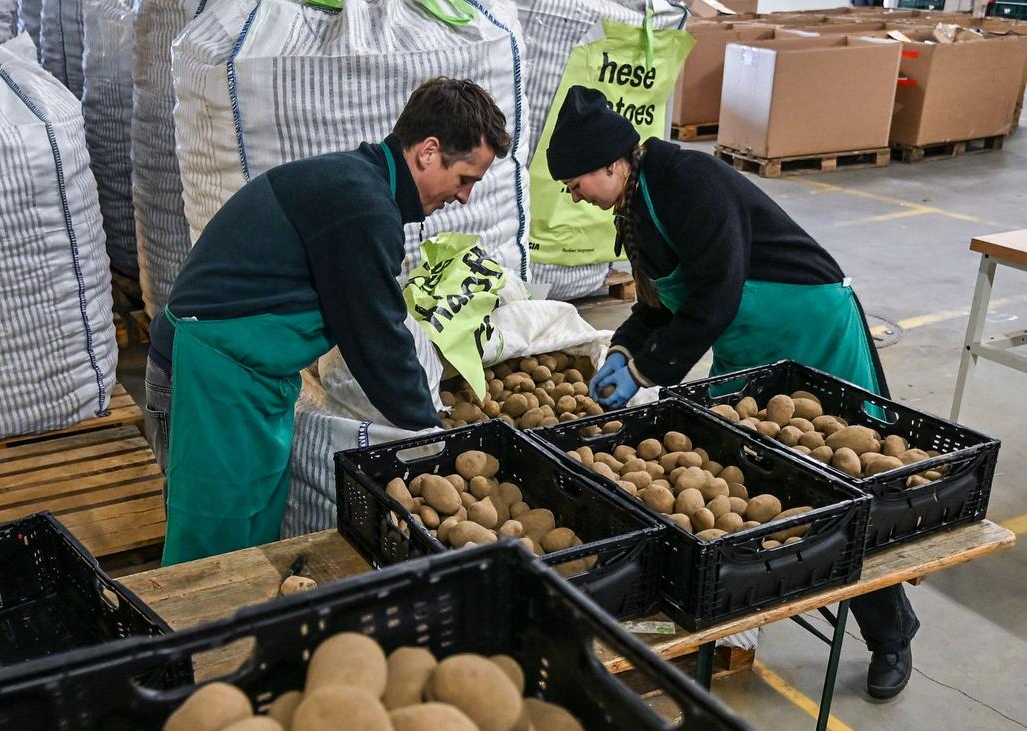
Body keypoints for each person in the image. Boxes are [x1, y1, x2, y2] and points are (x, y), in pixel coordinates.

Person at [545, 86, 918, 700]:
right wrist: (622, 349)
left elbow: (713, 300)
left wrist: (647, 372)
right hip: (748, 337)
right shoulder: (635, 205)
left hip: (807, 326)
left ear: (611, 164)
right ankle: (757, 591)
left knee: (842, 484)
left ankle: (891, 632)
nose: (574, 195)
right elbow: (660, 303)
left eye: (576, 182)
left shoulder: (689, 181)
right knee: (750, 468)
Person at [143, 77, 512, 567]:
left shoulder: (357, 184)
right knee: (210, 553)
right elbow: (376, 337)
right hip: (209, 375)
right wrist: (431, 435)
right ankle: (188, 643)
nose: (464, 196)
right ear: (428, 152)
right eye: (465, 178)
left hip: (249, 379)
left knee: (253, 535)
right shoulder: (361, 203)